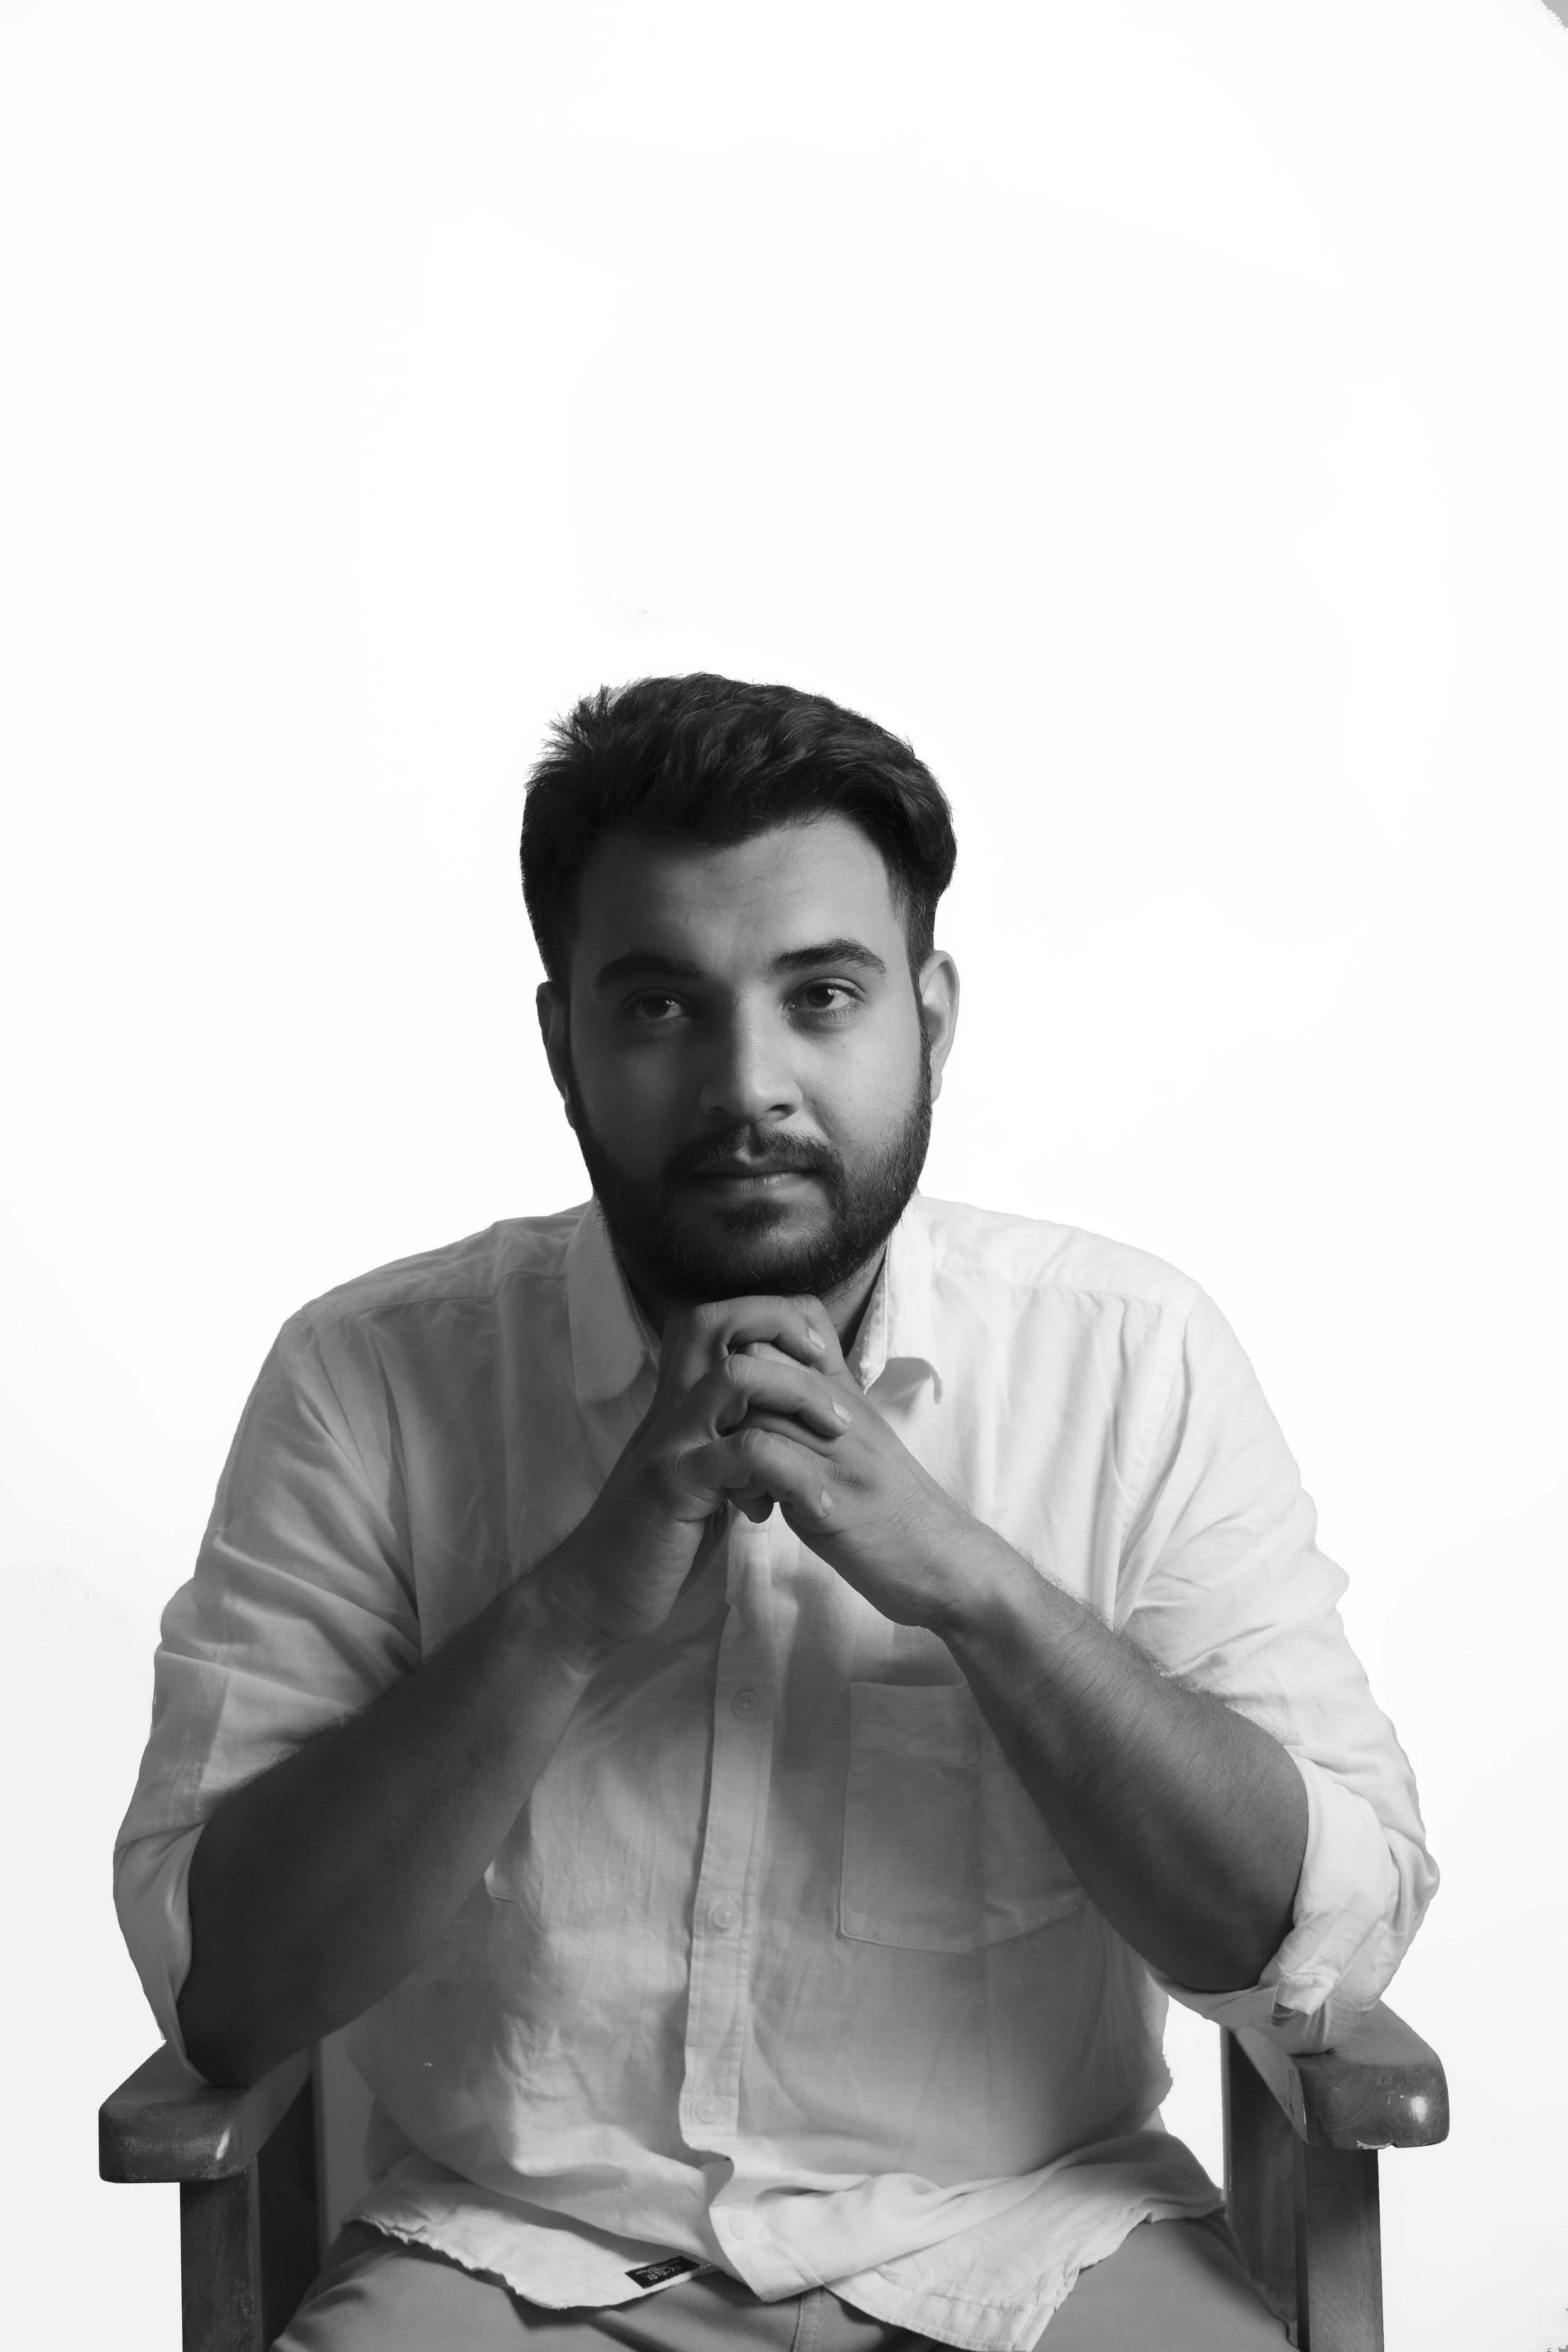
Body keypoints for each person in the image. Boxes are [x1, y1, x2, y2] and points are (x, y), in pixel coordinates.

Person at [115, 674, 1436, 2350]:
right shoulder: (366, 1379)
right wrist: (573, 1606)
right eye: (661, 1006)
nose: (751, 1086)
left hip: (1030, 2246)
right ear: (561, 1042)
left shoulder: (1131, 1357)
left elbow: (1323, 1936)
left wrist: (971, 1588)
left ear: (929, 1015)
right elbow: (224, 1990)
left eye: (821, 995)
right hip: (507, 2254)